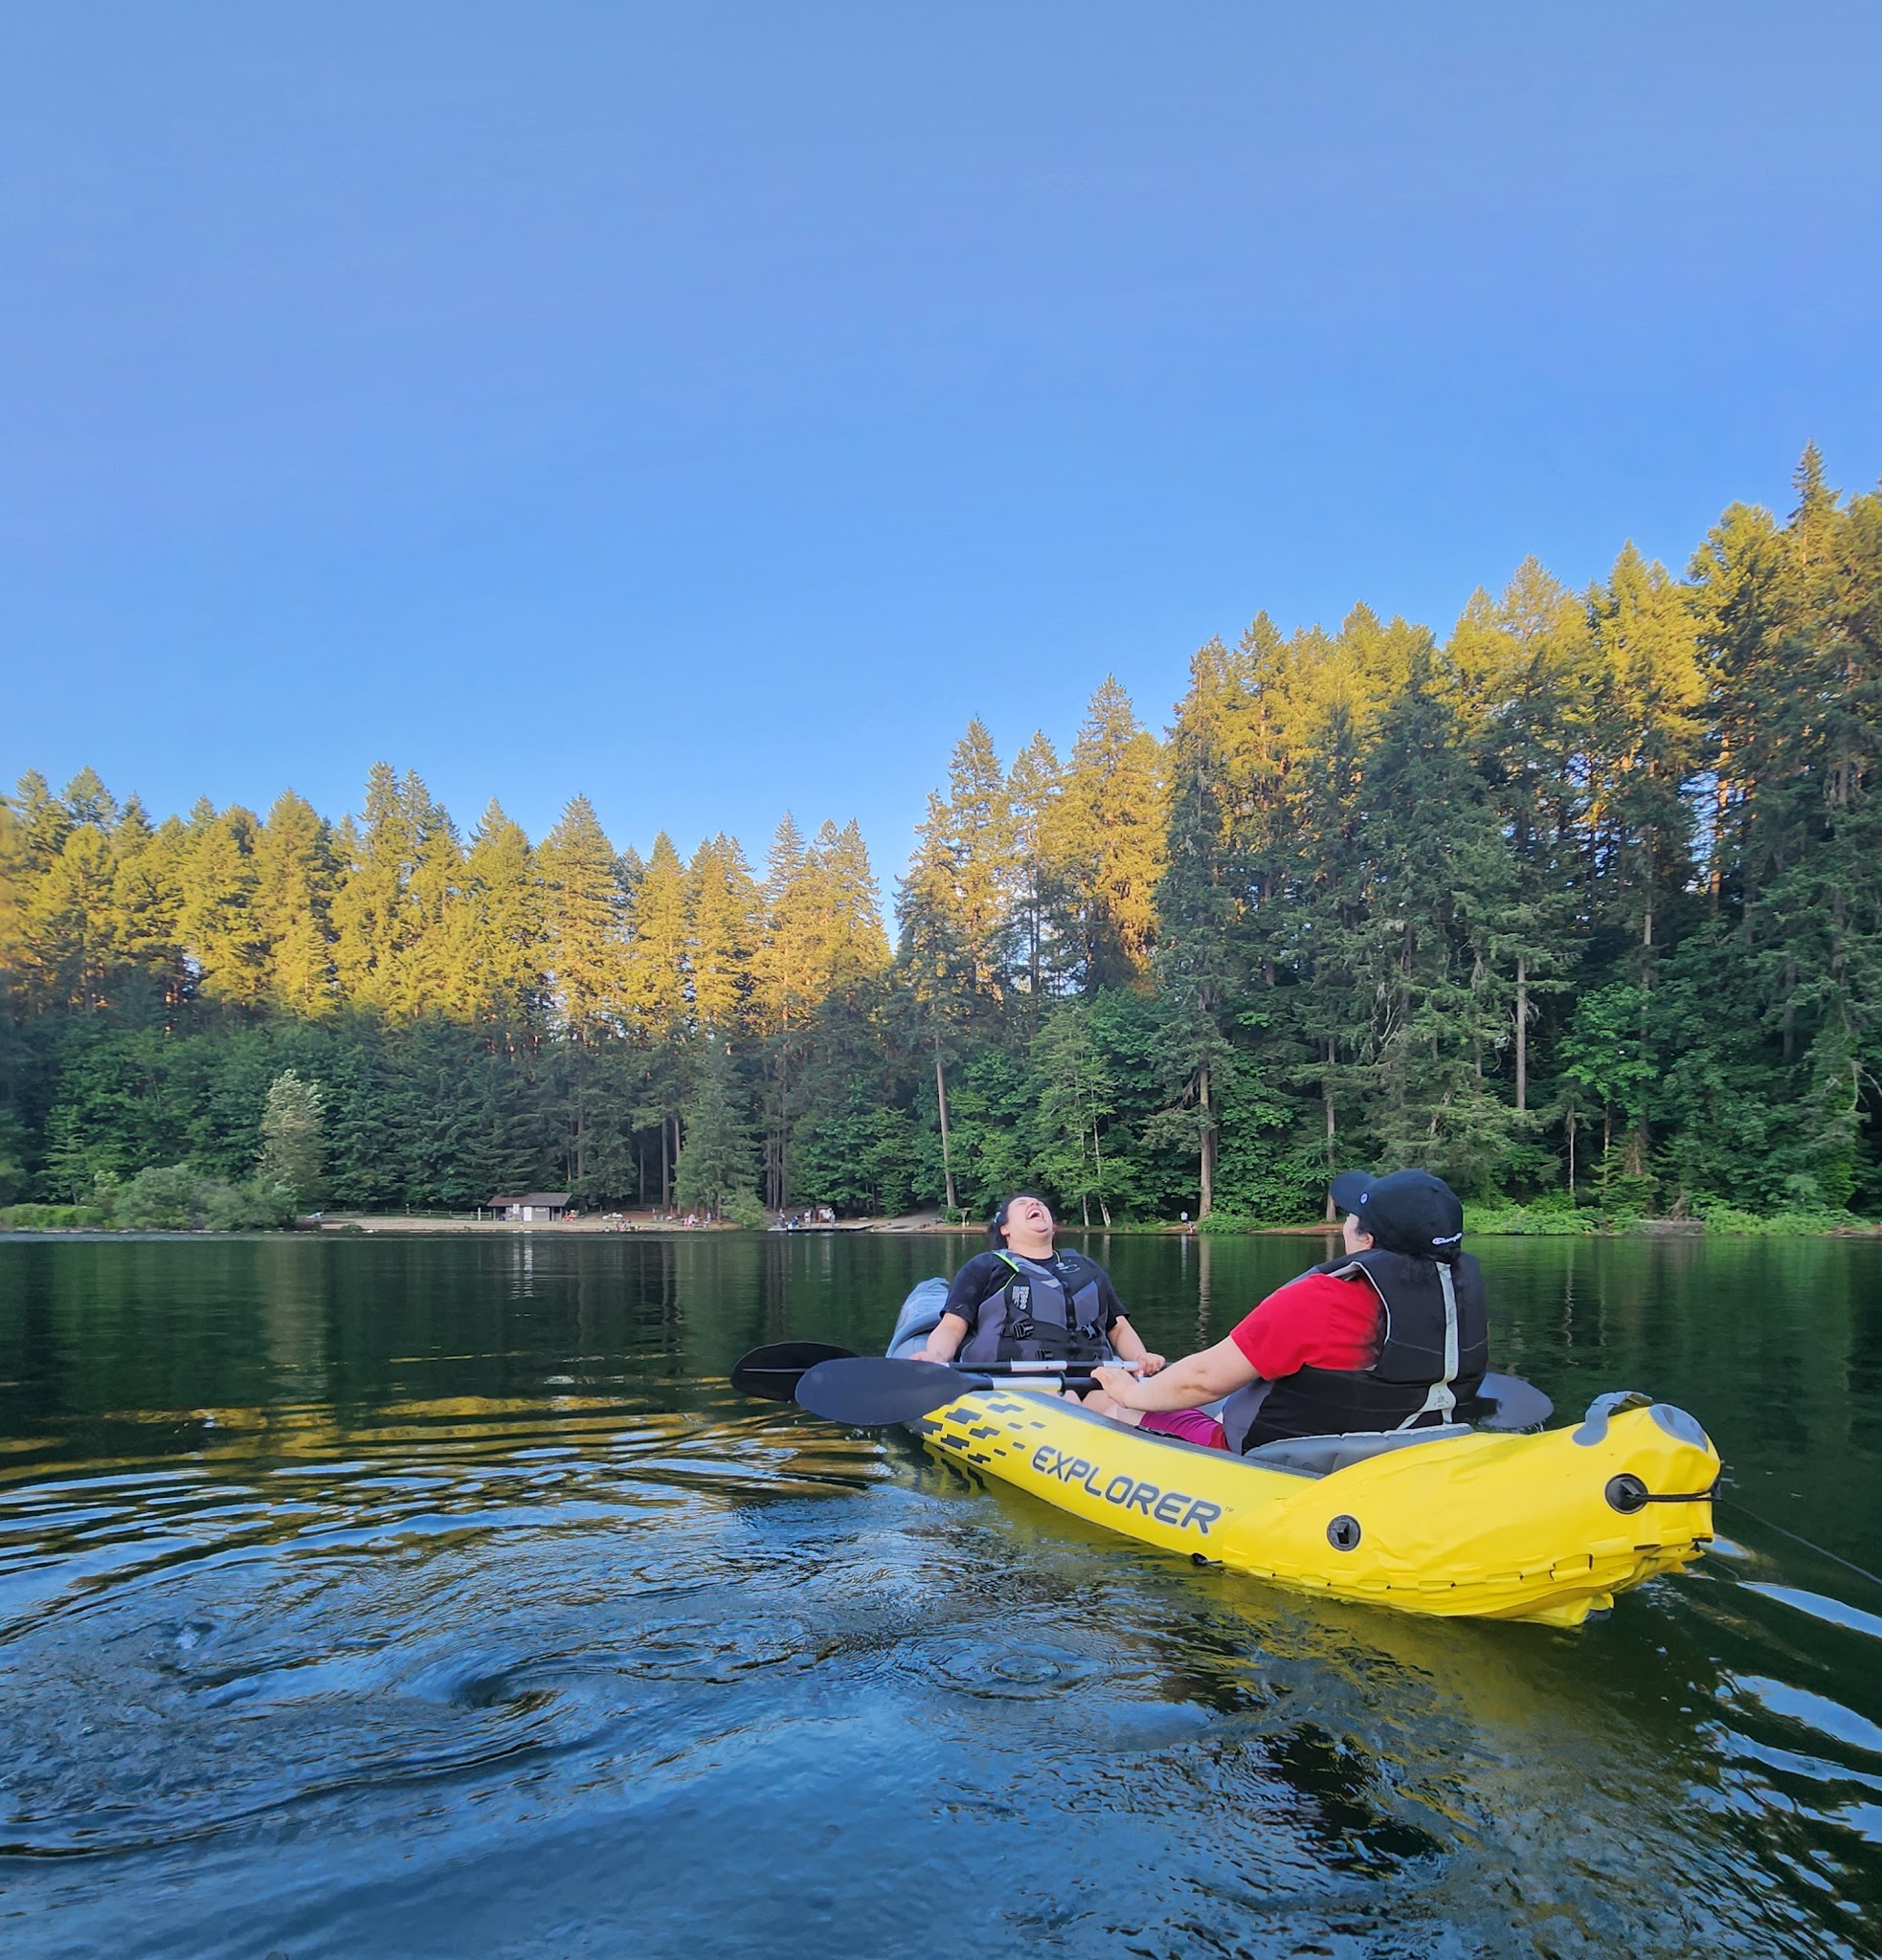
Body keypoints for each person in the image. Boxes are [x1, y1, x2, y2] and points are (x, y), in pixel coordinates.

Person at [1084, 1169, 1489, 1450]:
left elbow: (1201, 1381)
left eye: (1351, 1216)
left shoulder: (1322, 1299)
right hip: (1397, 1444)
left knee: (1104, 1404)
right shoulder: (1458, 1293)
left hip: (1282, 1453)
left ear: (1365, 1237)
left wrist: (1129, 1393)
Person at [916, 1192, 1166, 1376]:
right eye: (1023, 1204)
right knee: (1067, 1399)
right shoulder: (984, 1267)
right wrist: (936, 1357)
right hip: (1016, 1383)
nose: (1035, 1204)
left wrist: (1140, 1359)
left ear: (1054, 1227)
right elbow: (952, 1327)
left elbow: (1118, 1328)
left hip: (1093, 1381)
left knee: (1123, 1406)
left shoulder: (1086, 1268)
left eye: (1040, 1204)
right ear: (1005, 1228)